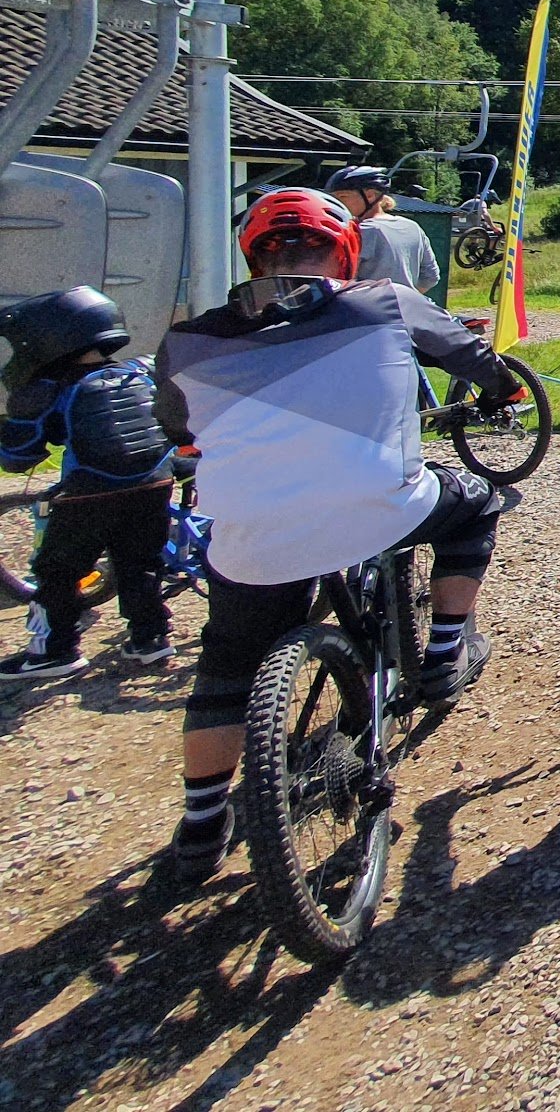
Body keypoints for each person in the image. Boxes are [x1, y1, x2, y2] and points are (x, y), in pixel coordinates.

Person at [152, 188, 518, 882]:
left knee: (227, 669)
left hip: (252, 538)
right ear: (344, 251)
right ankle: (443, 652)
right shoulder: (382, 300)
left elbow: (176, 424)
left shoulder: (189, 339)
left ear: (255, 258)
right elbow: (471, 356)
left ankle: (201, 825)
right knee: (476, 505)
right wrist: (501, 389)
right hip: (381, 507)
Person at [0, 288, 176, 679]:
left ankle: (53, 651)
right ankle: (150, 639)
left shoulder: (52, 389)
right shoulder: (139, 370)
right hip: (154, 484)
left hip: (90, 492)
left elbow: (20, 456)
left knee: (57, 571)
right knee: (141, 565)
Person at [328, 163, 443, 296]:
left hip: (365, 312)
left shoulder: (362, 231)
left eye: (343, 197)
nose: (336, 203)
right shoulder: (412, 227)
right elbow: (431, 277)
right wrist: (404, 298)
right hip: (407, 311)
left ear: (370, 195)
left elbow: (339, 282)